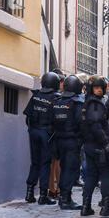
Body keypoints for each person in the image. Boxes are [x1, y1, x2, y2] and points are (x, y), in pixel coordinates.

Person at [80, 76, 109, 218]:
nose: (98, 90)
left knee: (91, 176)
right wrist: (106, 144)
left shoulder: (89, 102)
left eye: (100, 87)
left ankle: (86, 206)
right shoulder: (95, 104)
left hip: (90, 145)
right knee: (107, 174)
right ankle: (106, 206)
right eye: (95, 87)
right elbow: (96, 125)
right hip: (99, 146)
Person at [23, 72, 59, 205]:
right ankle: (43, 195)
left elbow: (28, 117)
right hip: (47, 134)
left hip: (33, 131)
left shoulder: (36, 96)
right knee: (45, 164)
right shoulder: (55, 98)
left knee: (35, 162)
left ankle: (29, 192)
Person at [53, 75, 84, 210]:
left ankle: (64, 197)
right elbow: (80, 123)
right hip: (72, 140)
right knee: (70, 170)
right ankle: (65, 199)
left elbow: (50, 121)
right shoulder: (77, 103)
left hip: (58, 140)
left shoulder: (57, 101)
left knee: (64, 168)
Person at [48, 69, 66, 199]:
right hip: (55, 133)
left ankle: (52, 189)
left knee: (53, 162)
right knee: (56, 162)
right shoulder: (58, 97)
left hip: (48, 132)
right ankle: (56, 189)